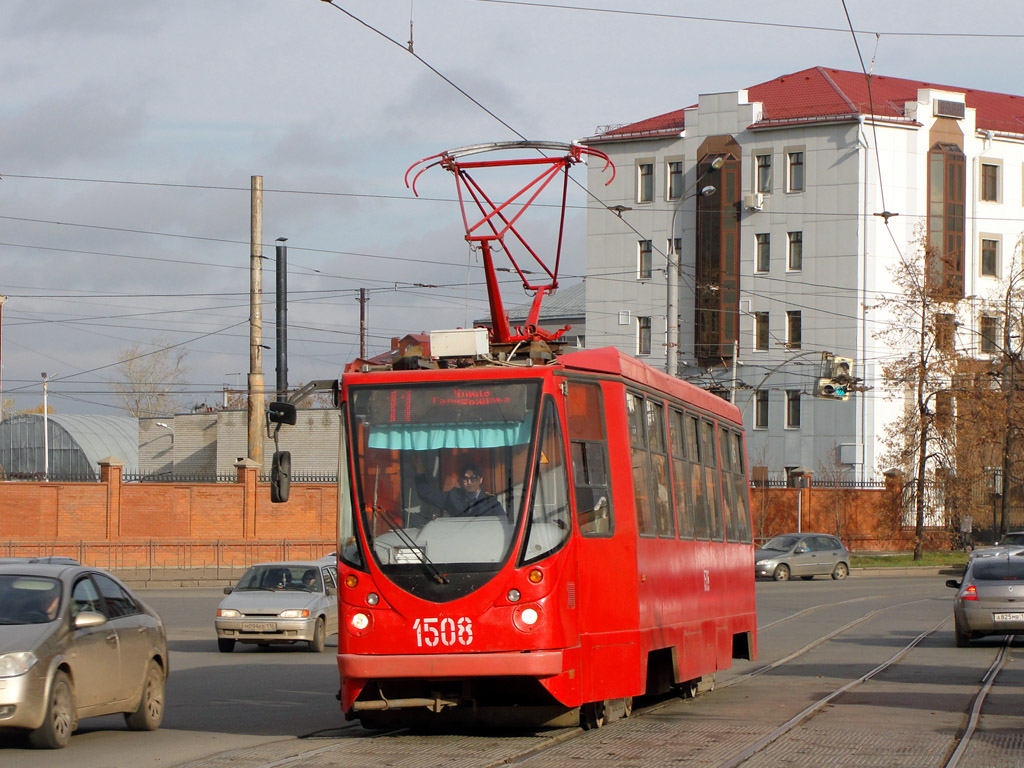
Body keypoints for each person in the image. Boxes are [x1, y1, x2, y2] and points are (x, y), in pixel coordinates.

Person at [416, 463, 505, 518]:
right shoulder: (453, 497)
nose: (469, 482)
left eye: (473, 478)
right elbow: (425, 493)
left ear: (480, 479)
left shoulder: (490, 502)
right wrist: (420, 472)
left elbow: (503, 523)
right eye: (465, 478)